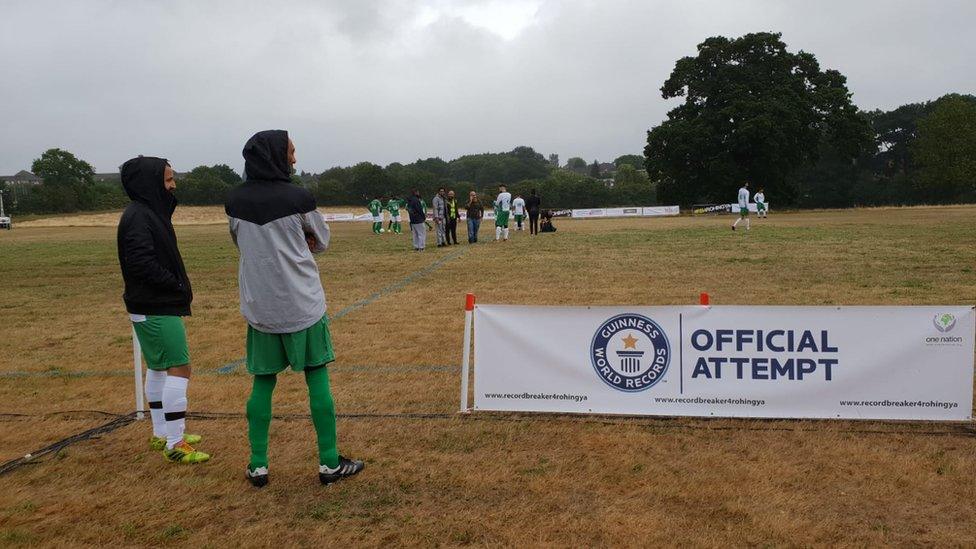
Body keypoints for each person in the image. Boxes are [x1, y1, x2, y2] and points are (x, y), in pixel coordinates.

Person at [225, 130, 364, 488]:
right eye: (291, 152)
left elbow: (240, 243)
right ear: (276, 155)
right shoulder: (299, 197)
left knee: (262, 383)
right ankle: (329, 464)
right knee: (317, 377)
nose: (295, 159)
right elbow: (322, 242)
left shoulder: (235, 202)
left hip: (261, 308)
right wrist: (303, 241)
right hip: (303, 304)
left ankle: (258, 466)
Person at [117, 156, 208, 464]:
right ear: (150, 182)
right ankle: (175, 441)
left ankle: (161, 433)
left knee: (157, 367)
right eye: (168, 180)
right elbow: (141, 263)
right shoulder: (139, 217)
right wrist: (176, 285)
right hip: (156, 306)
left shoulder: (147, 213)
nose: (173, 185)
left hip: (150, 305)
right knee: (179, 367)